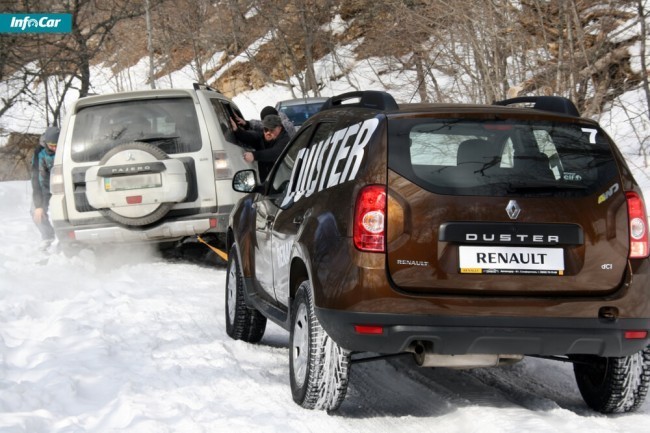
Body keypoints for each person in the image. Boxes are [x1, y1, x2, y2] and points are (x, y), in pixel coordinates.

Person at [230, 114, 290, 182]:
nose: (268, 132)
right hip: (266, 180)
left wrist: (254, 155)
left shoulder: (285, 139)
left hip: (281, 180)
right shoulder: (263, 136)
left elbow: (275, 153)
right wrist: (237, 131)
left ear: (279, 128)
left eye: (272, 130)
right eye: (266, 129)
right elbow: (252, 137)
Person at [30, 126, 59, 250]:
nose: (54, 148)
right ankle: (48, 236)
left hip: (64, 186)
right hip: (46, 187)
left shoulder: (67, 148)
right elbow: (37, 180)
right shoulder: (40, 154)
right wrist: (39, 205)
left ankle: (67, 238)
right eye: (52, 145)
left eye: (57, 145)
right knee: (35, 211)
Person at [232, 106, 296, 139]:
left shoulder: (286, 126)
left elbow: (264, 126)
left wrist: (247, 124)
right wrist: (247, 123)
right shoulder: (279, 123)